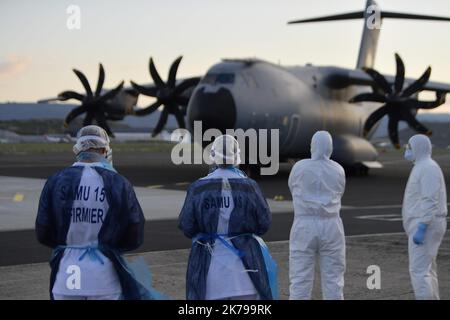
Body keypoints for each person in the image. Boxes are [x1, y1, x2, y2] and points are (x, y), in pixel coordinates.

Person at [35, 125, 148, 300]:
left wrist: (69, 245)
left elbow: (43, 232)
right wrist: (110, 247)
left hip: (66, 277)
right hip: (105, 278)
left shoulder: (55, 180)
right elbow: (135, 233)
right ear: (104, 149)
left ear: (78, 149)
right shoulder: (119, 183)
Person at [178, 134, 276, 300]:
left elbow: (186, 225)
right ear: (237, 157)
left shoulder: (198, 187)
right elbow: (264, 223)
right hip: (246, 274)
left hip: (211, 276)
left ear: (213, 156)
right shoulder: (250, 186)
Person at [288, 131, 346, 300]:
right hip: (332, 224)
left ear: (312, 146)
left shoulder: (299, 167)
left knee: (300, 278)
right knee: (334, 279)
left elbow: (293, 187)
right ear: (330, 147)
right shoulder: (338, 169)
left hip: (304, 224)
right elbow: (340, 191)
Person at [402, 134, 447, 300]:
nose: (407, 150)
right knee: (428, 270)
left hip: (425, 225)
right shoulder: (423, 166)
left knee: (419, 271)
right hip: (425, 223)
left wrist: (422, 226)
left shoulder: (427, 168)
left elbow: (430, 198)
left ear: (418, 148)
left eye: (409, 147)